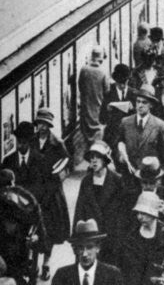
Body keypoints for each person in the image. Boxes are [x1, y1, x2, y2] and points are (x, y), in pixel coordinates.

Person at [32, 109, 71, 280]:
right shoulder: (32, 141)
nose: (42, 127)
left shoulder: (57, 143)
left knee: (49, 230)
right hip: (35, 190)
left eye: (45, 124)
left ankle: (46, 264)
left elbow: (65, 162)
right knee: (34, 229)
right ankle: (33, 263)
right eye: (40, 123)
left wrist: (56, 175)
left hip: (51, 192)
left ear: (49, 126)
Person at [72, 142, 125, 266]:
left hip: (111, 237)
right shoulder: (86, 181)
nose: (94, 160)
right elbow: (79, 210)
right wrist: (76, 237)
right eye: (91, 157)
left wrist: (119, 238)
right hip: (90, 237)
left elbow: (122, 212)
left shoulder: (117, 180)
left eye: (98, 157)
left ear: (105, 160)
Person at [119, 193, 164, 285]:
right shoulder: (131, 236)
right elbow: (125, 267)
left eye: (144, 213)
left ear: (154, 213)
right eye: (138, 213)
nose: (140, 217)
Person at [116, 86, 164, 189]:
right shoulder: (125, 122)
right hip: (129, 176)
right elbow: (119, 143)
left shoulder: (159, 125)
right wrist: (121, 157)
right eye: (138, 102)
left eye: (144, 102)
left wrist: (158, 177)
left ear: (151, 105)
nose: (140, 105)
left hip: (149, 179)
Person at [52, 221, 123, 285]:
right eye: (80, 248)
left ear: (98, 248)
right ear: (75, 250)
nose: (84, 254)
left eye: (89, 247)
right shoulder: (62, 275)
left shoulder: (112, 275)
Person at [78, 48, 110, 153]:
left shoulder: (84, 69)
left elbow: (80, 86)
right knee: (97, 135)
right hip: (98, 109)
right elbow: (107, 91)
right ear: (100, 59)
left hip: (85, 109)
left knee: (86, 135)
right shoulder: (103, 73)